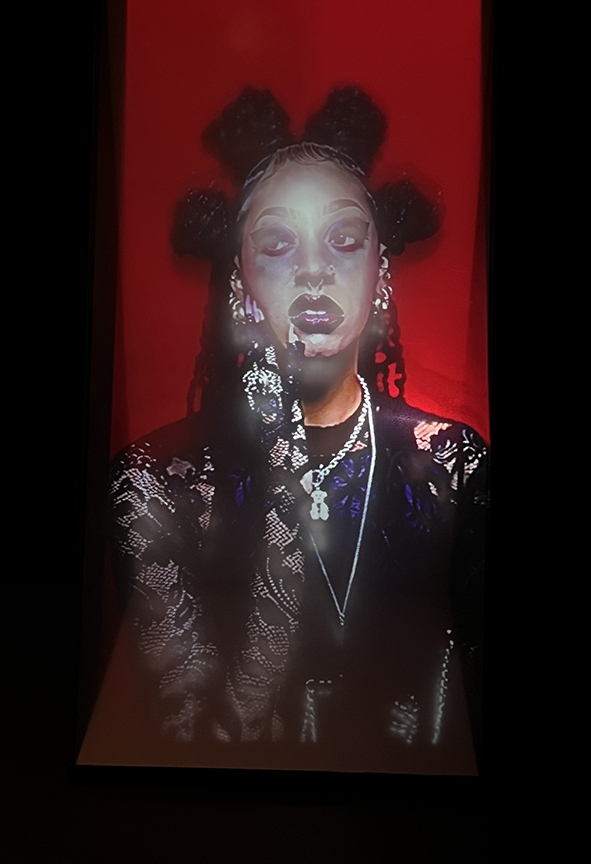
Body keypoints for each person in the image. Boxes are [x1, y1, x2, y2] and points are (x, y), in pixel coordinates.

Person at [110, 87, 487, 774]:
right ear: (239, 283)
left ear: (380, 274)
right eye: (279, 244)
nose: (315, 270)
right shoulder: (153, 482)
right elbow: (188, 734)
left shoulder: (453, 465)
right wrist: (275, 445)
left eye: (343, 240)